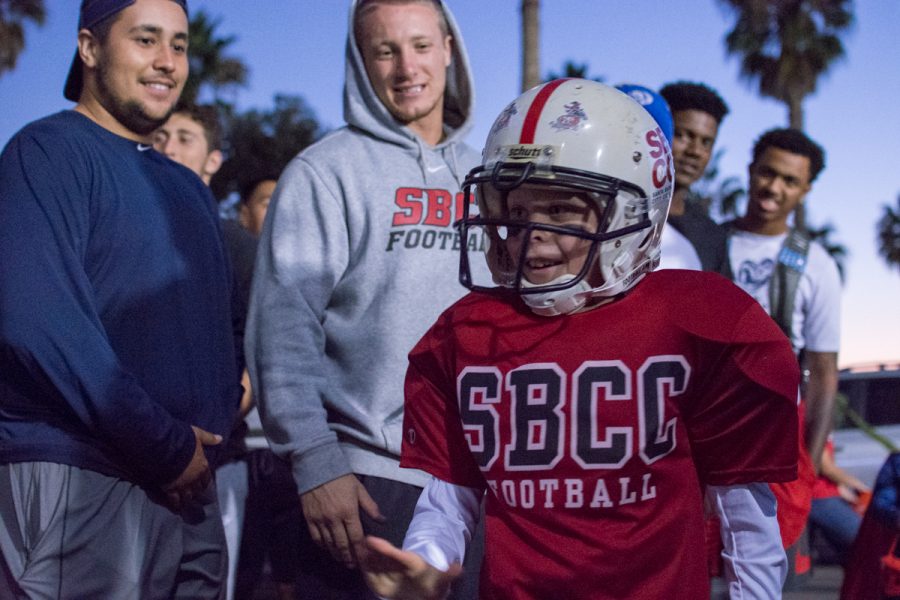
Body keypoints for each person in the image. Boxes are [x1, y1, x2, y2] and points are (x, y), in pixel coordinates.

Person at [361, 78, 800, 600]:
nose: (531, 234)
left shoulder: (703, 322)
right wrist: (427, 561)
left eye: (562, 210)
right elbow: (450, 500)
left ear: (632, 215)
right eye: (517, 211)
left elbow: (744, 516)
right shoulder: (467, 333)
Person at [0, 1, 241, 598]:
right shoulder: (46, 152)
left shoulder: (187, 187)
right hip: (79, 472)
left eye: (180, 46)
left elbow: (223, 328)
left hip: (190, 491)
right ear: (89, 48)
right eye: (146, 40)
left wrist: (211, 430)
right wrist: (163, 444)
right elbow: (38, 323)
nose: (167, 62)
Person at [245, 0, 483, 597]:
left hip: (479, 485)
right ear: (361, 60)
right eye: (385, 50)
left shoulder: (490, 176)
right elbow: (284, 328)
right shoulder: (325, 172)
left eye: (422, 46)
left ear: (449, 49)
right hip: (370, 485)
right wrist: (315, 462)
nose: (408, 67)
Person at [153, 101, 258, 600]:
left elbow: (257, 353)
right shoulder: (133, 232)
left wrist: (201, 444)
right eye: (160, 138)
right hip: (134, 455)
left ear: (213, 160)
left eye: (185, 138)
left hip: (216, 461)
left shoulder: (235, 244)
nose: (168, 146)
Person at [727, 127, 841, 583]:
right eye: (768, 173)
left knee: (761, 580)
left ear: (806, 189)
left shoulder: (816, 263)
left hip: (774, 445)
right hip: (702, 435)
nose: (774, 188)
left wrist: (805, 474)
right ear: (751, 168)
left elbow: (824, 375)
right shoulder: (711, 244)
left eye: (789, 181)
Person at [657, 81, 732, 276]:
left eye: (706, 142)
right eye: (683, 135)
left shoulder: (712, 237)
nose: (695, 151)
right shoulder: (615, 211)